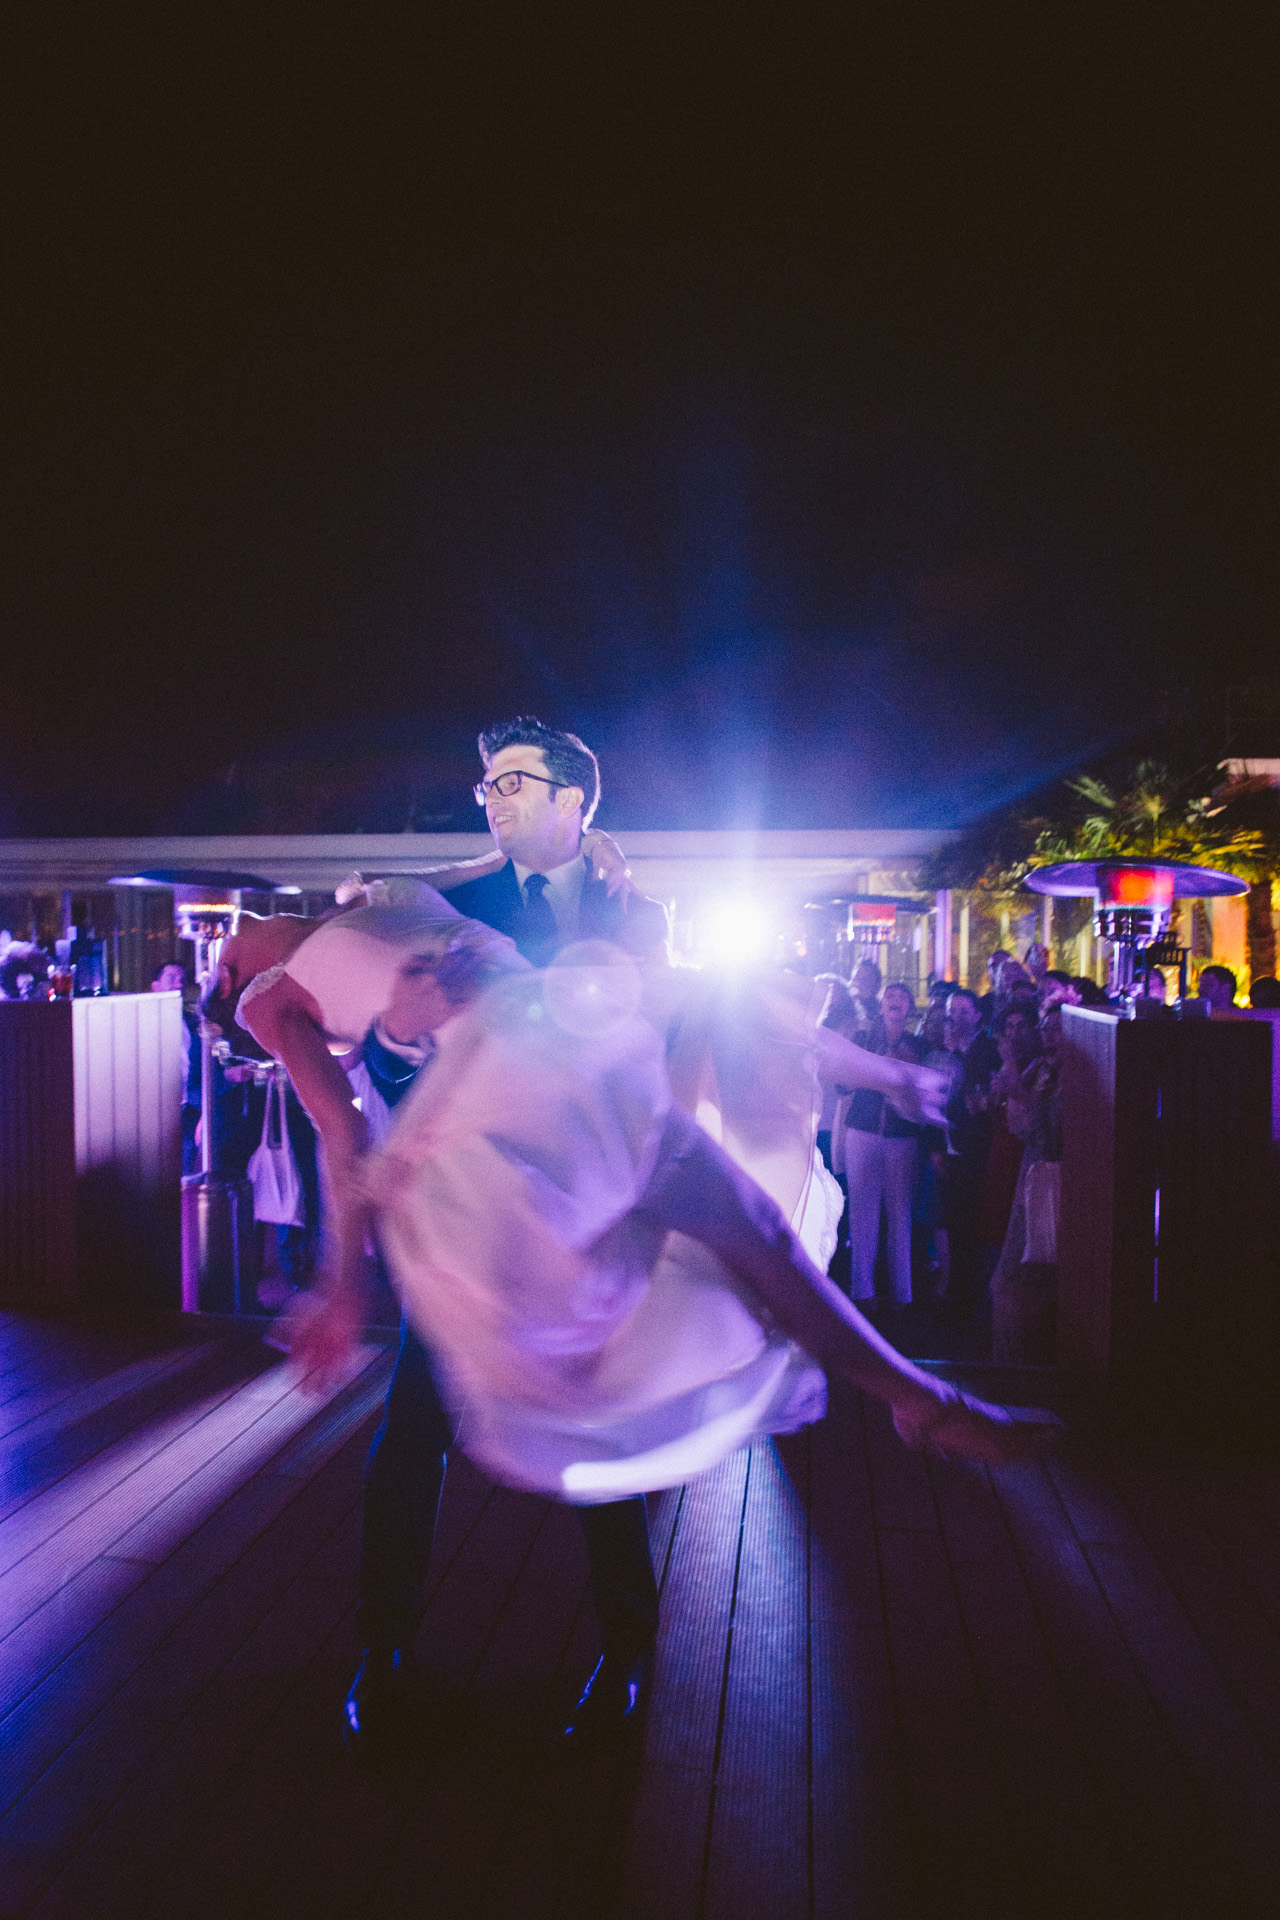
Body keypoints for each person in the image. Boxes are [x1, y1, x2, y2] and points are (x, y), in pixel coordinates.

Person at [833, 981, 925, 1309]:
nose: (895, 1000)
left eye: (902, 996)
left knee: (900, 1214)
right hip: (863, 1130)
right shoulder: (863, 1040)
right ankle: (862, 1291)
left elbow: (921, 1091)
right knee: (862, 1212)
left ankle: (902, 1294)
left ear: (909, 1008)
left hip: (902, 1136)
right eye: (890, 996)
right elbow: (842, 1084)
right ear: (881, 1006)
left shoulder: (918, 1044)